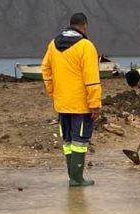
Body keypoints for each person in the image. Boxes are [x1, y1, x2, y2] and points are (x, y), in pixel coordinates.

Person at [41, 13, 102, 187]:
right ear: (84, 26)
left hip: (62, 103)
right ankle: (77, 178)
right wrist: (95, 104)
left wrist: (53, 91)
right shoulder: (86, 46)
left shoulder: (53, 44)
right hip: (80, 104)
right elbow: (91, 79)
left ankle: (72, 176)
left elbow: (45, 69)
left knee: (68, 141)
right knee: (80, 141)